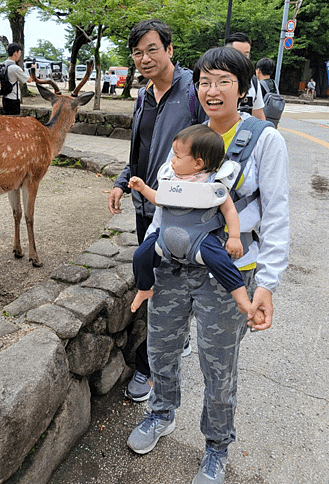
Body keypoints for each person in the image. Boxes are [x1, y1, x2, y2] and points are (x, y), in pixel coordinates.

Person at [127, 46, 289, 484]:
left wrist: (266, 284)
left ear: (243, 88)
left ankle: (217, 447)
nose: (212, 91)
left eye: (223, 81)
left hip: (227, 272)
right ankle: (161, 414)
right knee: (161, 348)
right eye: (204, 82)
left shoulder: (263, 140)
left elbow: (276, 216)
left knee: (218, 364)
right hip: (174, 266)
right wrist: (153, 254)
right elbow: (166, 205)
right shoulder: (189, 136)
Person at [108, 19, 206, 402]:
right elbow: (140, 153)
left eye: (151, 49)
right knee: (155, 283)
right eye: (137, 53)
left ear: (168, 48)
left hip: (179, 212)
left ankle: (149, 369)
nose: (145, 58)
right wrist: (121, 181)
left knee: (165, 289)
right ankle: (174, 340)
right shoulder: (143, 96)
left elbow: (209, 153)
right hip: (143, 207)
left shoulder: (193, 92)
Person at [128, 124, 264, 327]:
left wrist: (234, 237)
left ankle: (242, 299)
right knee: (140, 256)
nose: (172, 161)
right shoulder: (170, 178)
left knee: (221, 264)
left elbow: (229, 211)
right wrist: (143, 188)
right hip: (164, 237)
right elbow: (159, 199)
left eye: (177, 156)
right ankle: (143, 288)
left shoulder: (214, 183)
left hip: (200, 240)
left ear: (199, 163)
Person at [225, 32, 265, 120]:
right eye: (238, 54)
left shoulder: (253, 82)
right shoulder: (213, 81)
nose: (242, 59)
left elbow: (259, 116)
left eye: (246, 55)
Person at [2, 43, 30, 115]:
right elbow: (29, 80)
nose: (20, 55)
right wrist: (34, 70)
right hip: (13, 99)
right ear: (15, 53)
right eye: (19, 53)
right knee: (14, 122)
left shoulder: (3, 65)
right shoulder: (15, 68)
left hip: (4, 98)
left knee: (6, 120)